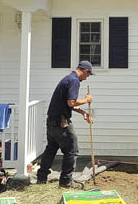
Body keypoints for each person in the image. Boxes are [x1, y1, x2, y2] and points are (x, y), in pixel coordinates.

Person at [36, 60, 94, 188]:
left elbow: (66, 103)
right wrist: (86, 100)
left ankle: (41, 178)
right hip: (61, 123)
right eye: (88, 75)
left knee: (51, 149)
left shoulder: (67, 79)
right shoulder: (74, 81)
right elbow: (71, 102)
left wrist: (82, 112)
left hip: (52, 121)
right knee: (72, 150)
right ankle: (65, 182)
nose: (86, 78)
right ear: (85, 71)